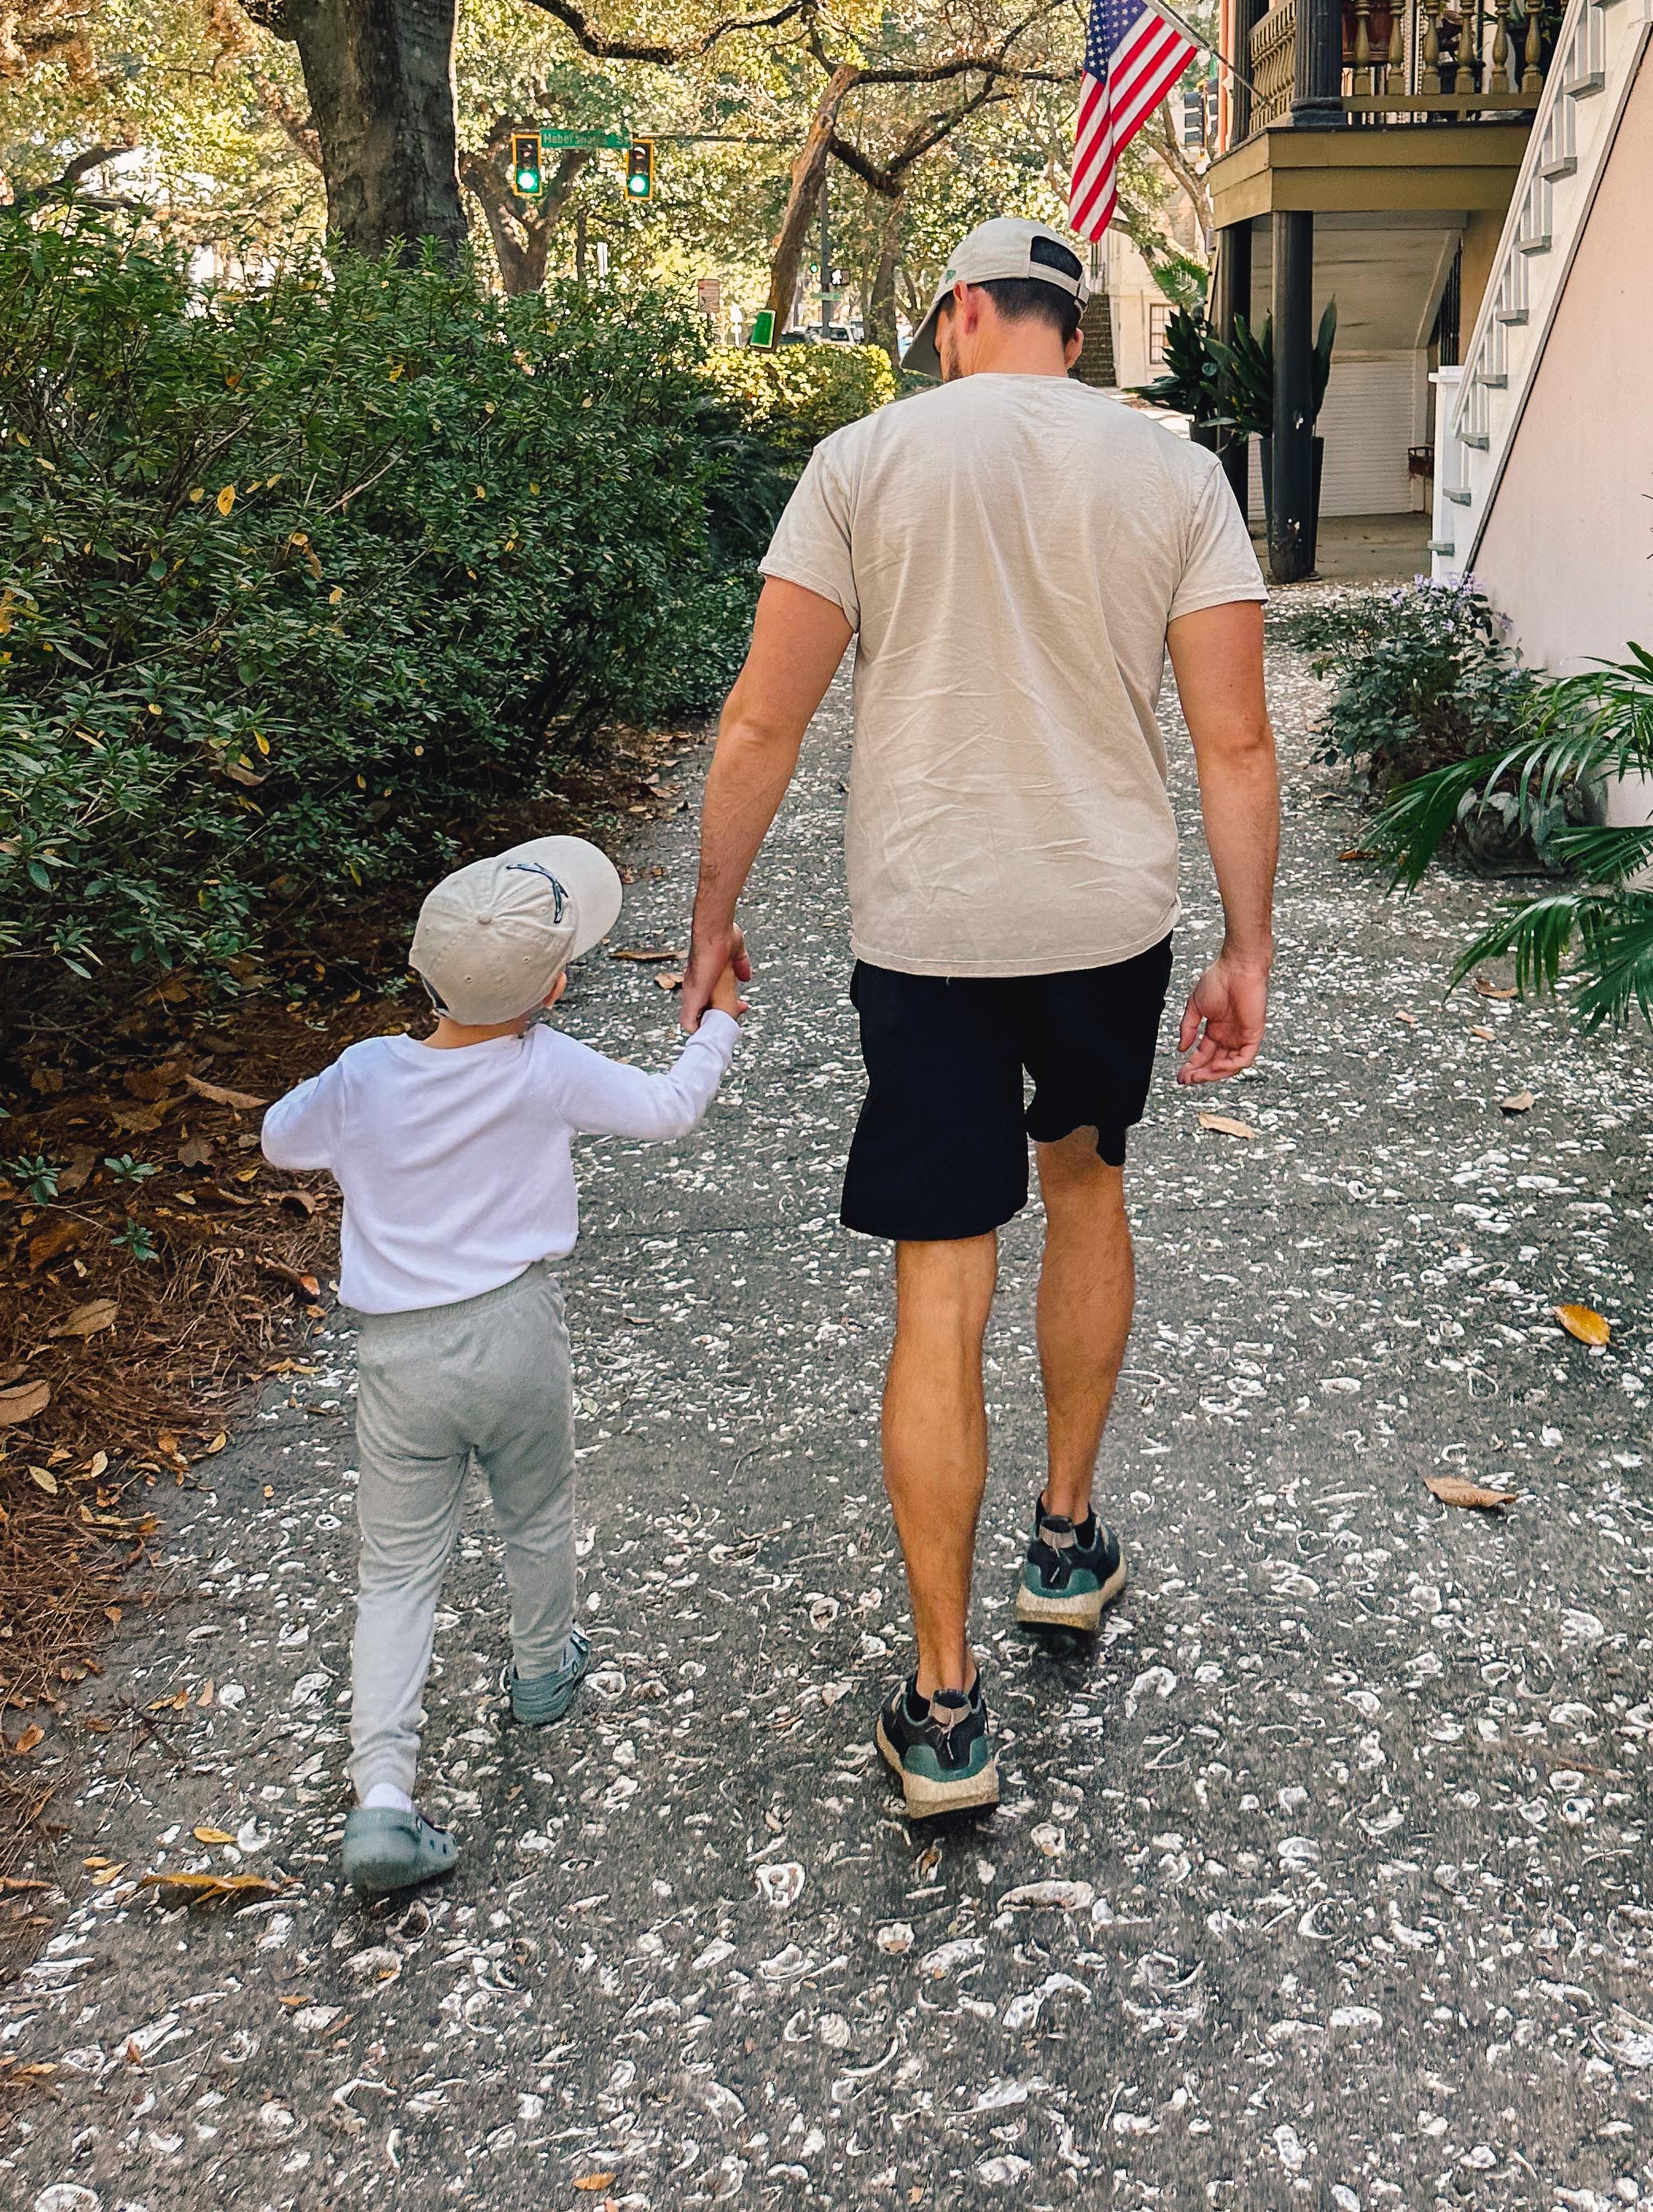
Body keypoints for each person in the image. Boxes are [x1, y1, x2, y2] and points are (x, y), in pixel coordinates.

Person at [680, 217, 1277, 1817]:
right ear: (1071, 335)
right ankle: (1067, 1544)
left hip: (932, 925)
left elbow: (763, 717)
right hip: (1104, 917)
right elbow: (1236, 747)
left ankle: (947, 1708)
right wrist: (1249, 945)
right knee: (1085, 1184)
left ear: (957, 318)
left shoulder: (862, 460)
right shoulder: (1176, 475)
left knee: (940, 1281)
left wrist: (712, 913)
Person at [262, 835, 742, 1894]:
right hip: (517, 1329)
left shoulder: (363, 1076)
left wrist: (358, 1112)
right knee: (534, 1510)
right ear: (557, 987)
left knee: (395, 1571)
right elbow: (667, 1111)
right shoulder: (545, 1066)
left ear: (422, 972)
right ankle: (539, 1672)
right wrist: (714, 1030)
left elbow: (277, 1140)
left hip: (401, 1355)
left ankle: (384, 1792)